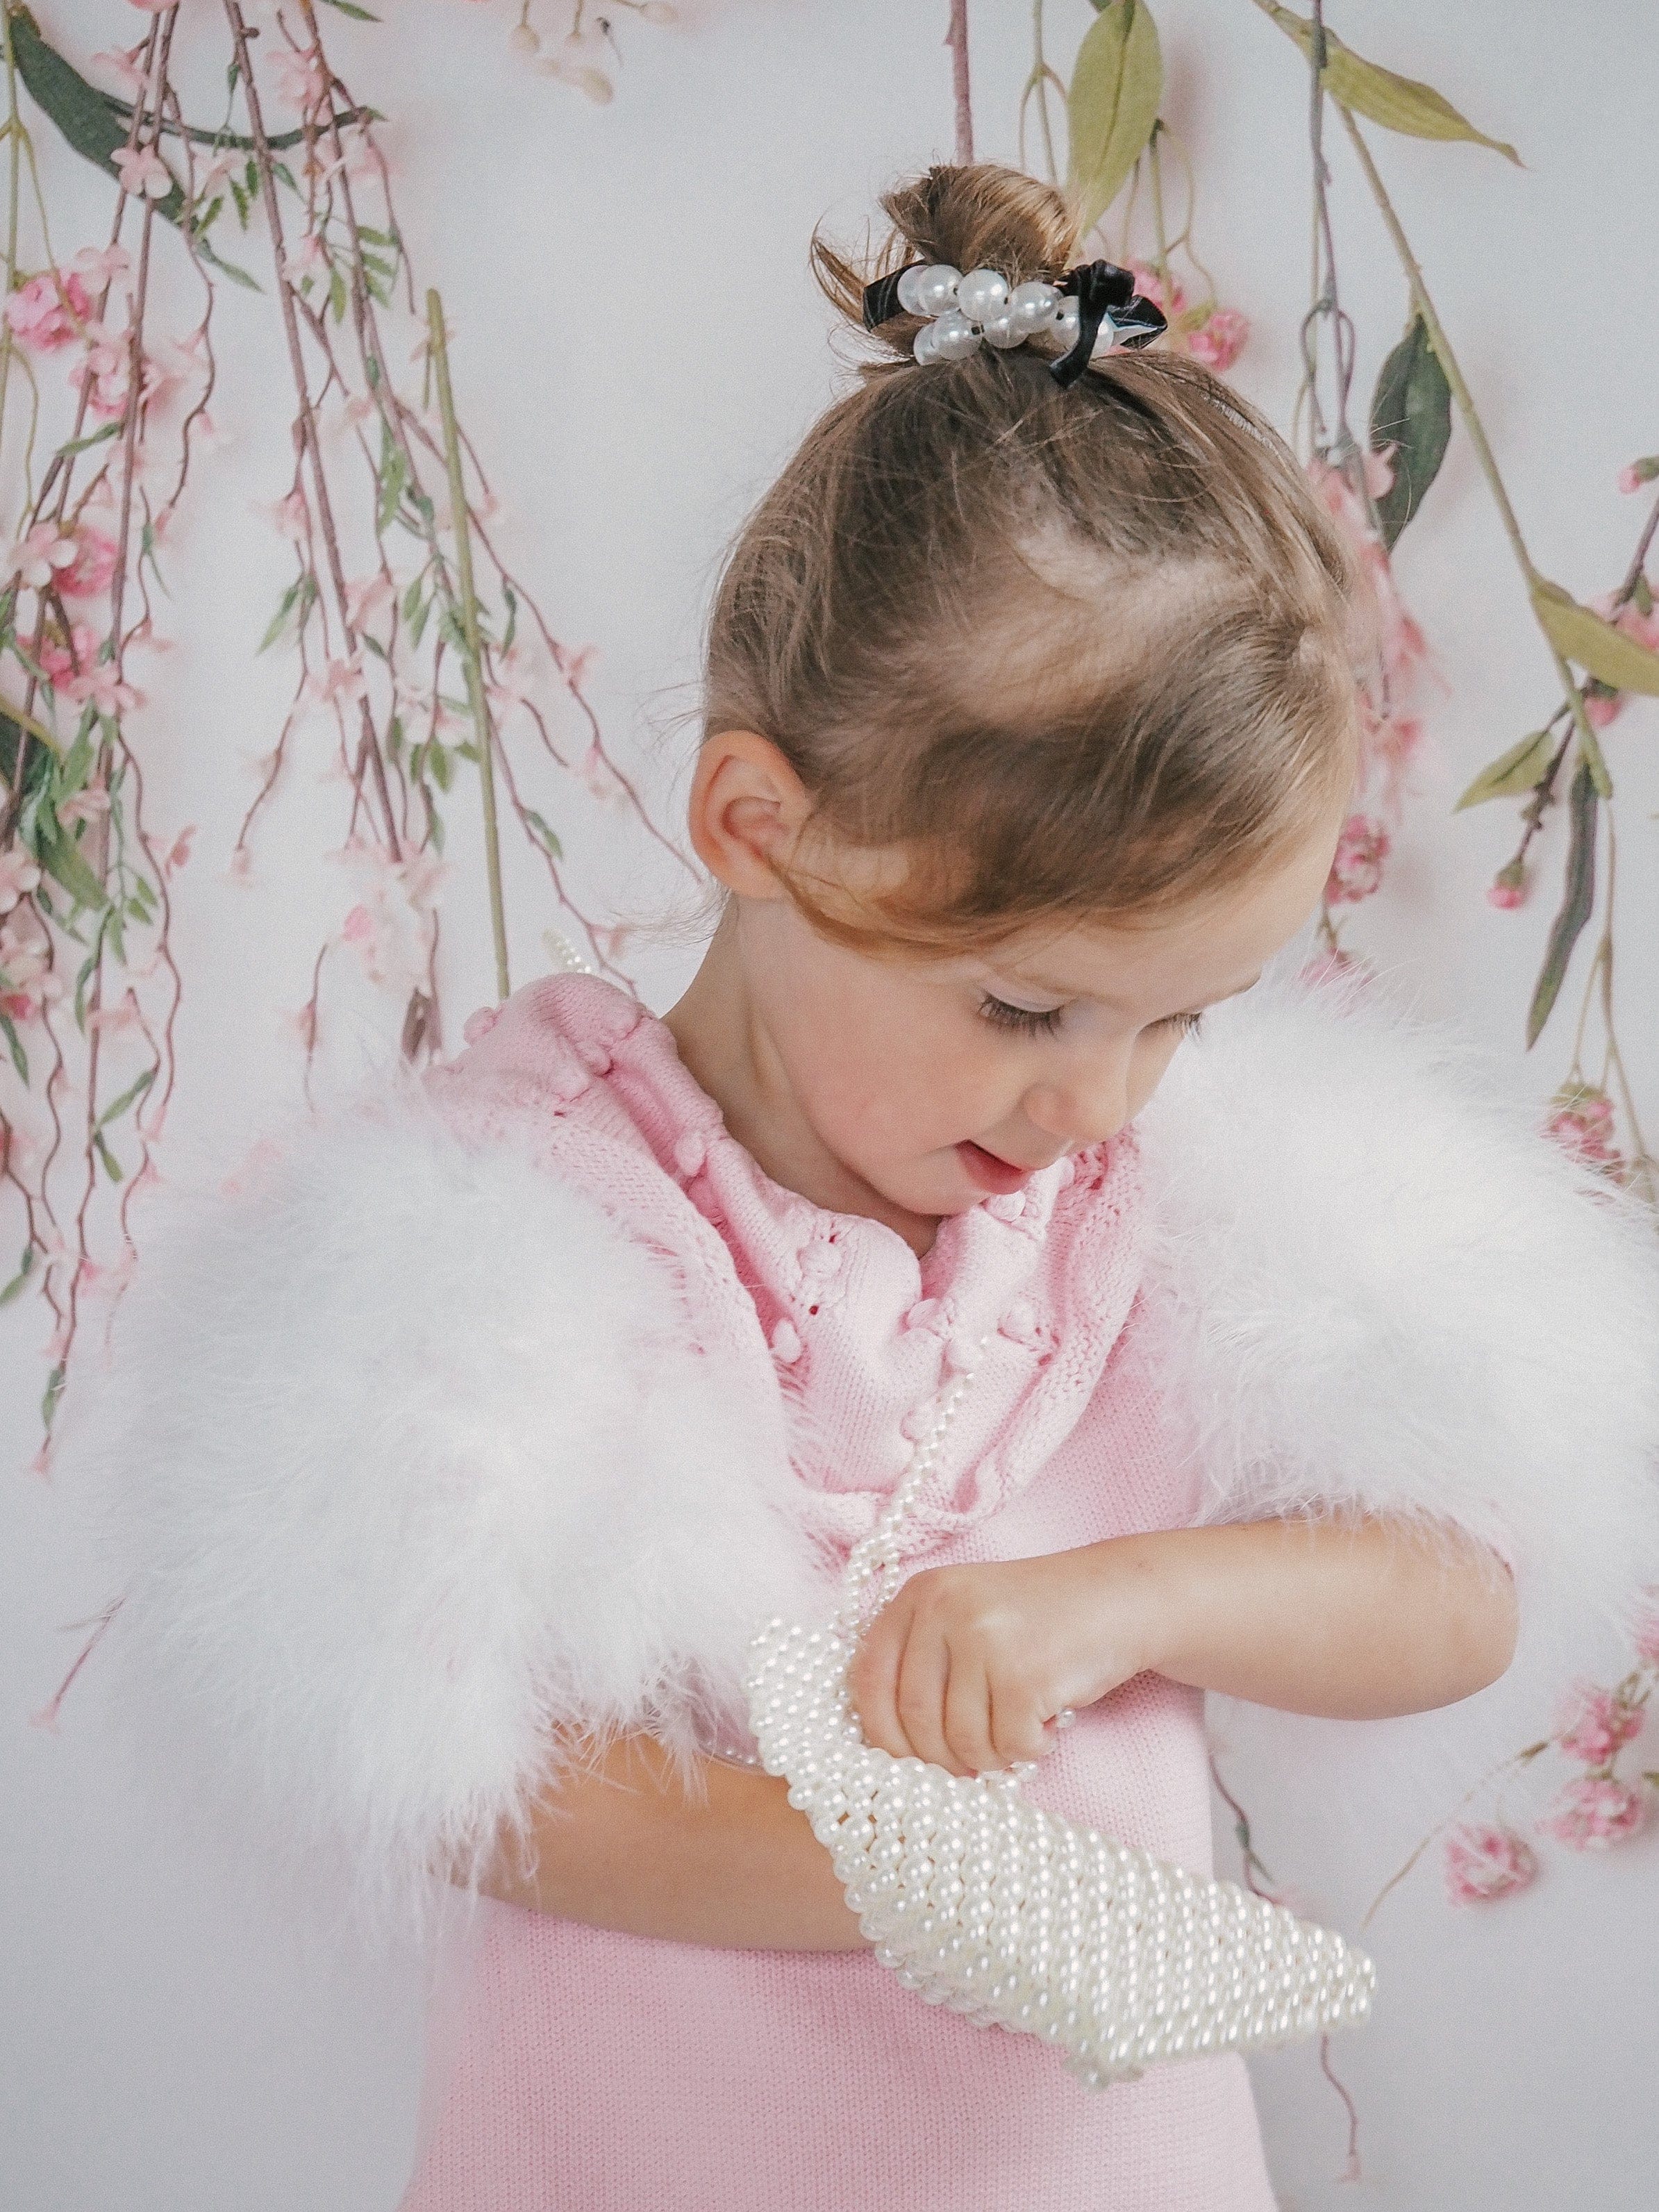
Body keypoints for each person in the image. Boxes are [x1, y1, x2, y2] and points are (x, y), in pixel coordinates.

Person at [72, 165, 1659, 2211]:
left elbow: (1451, 1591)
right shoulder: (531, 1241)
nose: (1101, 1099)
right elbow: (458, 1773)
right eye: (1026, 1004)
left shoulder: (1161, 1219)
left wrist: (1121, 1599)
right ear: (756, 819)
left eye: (1180, 1022)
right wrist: (906, 1883)